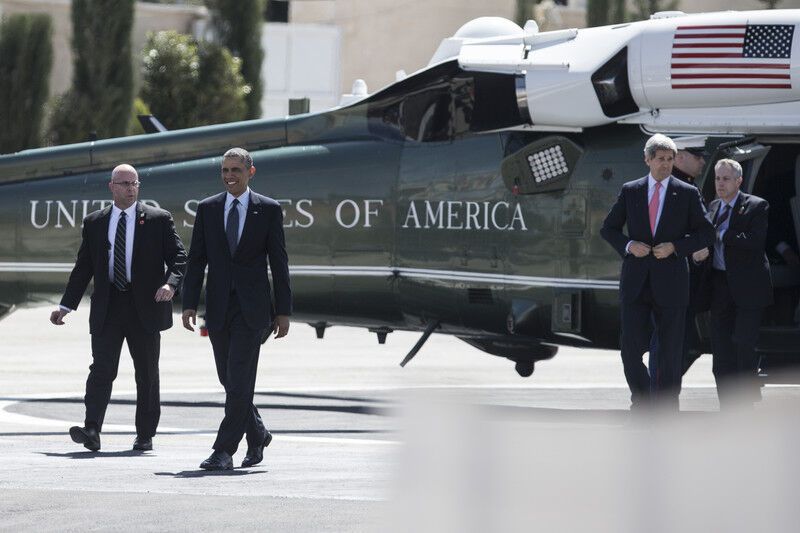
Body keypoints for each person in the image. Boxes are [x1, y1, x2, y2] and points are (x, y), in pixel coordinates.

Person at [49, 164, 186, 452]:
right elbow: (83, 267)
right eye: (124, 183)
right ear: (111, 187)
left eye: (134, 183)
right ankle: (92, 430)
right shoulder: (95, 222)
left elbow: (179, 257)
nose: (130, 188)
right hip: (108, 306)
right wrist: (66, 306)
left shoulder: (158, 219)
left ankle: (145, 434)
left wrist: (170, 285)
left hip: (145, 307)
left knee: (146, 372)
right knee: (101, 370)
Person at [182, 147, 291, 470]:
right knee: (229, 379)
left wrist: (283, 310)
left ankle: (224, 450)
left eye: (236, 171)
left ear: (250, 172)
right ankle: (257, 435)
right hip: (217, 308)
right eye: (225, 170)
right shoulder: (208, 208)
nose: (229, 176)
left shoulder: (268, 210)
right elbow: (197, 259)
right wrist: (188, 303)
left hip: (253, 310)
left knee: (240, 379)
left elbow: (279, 262)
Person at [601, 134, 714, 410]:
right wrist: (629, 245)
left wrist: (676, 247)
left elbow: (706, 233)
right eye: (660, 159)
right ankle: (641, 400)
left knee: (669, 350)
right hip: (636, 282)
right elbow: (608, 229)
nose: (665, 165)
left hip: (672, 282)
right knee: (630, 349)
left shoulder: (687, 193)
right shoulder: (631, 190)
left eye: (670, 159)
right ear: (647, 160)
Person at [692, 159, 773, 408]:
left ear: (738, 181)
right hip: (719, 286)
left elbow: (755, 241)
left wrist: (724, 234)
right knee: (721, 351)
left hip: (748, 288)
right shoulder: (712, 207)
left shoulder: (756, 206)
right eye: (717, 178)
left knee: (743, 347)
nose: (720, 184)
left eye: (726, 179)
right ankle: (727, 408)